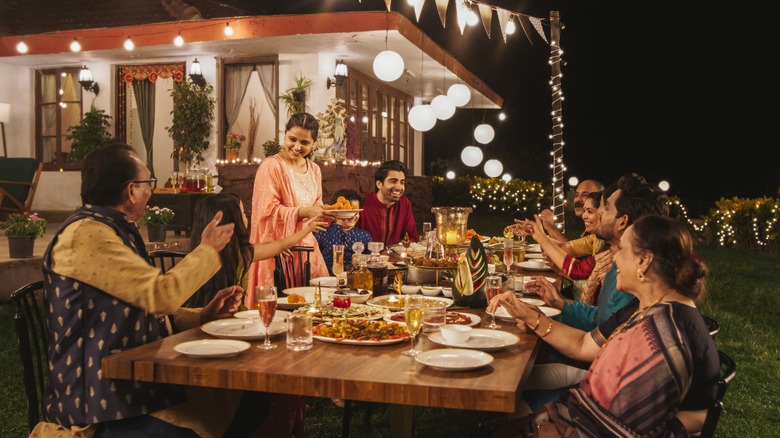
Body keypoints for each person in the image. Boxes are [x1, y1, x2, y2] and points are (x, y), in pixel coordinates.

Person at [38, 143, 247, 437]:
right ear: (131, 190)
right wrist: (207, 250)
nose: (152, 190)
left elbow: (140, 304)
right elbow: (160, 295)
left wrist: (203, 315)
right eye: (149, 182)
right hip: (99, 404)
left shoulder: (112, 228)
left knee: (247, 397)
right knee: (231, 404)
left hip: (133, 386)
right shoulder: (86, 235)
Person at [489, 215, 719, 436]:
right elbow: (584, 343)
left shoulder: (663, 336)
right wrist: (530, 316)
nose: (615, 258)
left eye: (622, 250)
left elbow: (622, 429)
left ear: (643, 260)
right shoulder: (649, 306)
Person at [247, 113, 334, 305]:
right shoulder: (272, 166)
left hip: (307, 250)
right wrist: (305, 212)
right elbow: (266, 211)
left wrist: (328, 213)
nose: (297, 147)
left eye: (305, 142)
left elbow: (317, 207)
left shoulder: (314, 169)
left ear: (313, 143)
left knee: (317, 307)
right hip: (278, 248)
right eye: (292, 139)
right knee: (279, 310)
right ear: (284, 135)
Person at [185, 191, 326, 308]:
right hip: (229, 318)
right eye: (243, 213)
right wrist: (308, 228)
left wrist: (270, 245)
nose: (246, 217)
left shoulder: (200, 256)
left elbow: (276, 246)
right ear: (233, 221)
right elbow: (282, 245)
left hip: (201, 315)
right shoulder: (241, 255)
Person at [357, 159, 419, 246]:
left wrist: (395, 250)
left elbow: (412, 236)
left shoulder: (403, 203)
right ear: (379, 184)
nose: (399, 187)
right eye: (393, 181)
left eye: (402, 182)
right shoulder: (362, 203)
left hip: (394, 258)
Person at [315, 189, 372, 275]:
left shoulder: (364, 236)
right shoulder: (322, 233)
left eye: (356, 212)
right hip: (327, 280)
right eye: (349, 211)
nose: (353, 216)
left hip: (357, 281)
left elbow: (371, 263)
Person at [536, 179, 604, 244]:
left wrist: (550, 228)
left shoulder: (602, 232)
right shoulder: (589, 229)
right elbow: (572, 249)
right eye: (576, 195)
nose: (577, 199)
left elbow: (569, 252)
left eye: (585, 195)